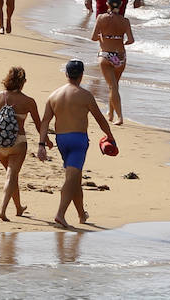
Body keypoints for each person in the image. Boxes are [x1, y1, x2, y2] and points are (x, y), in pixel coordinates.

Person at [38, 60, 117, 229]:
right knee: (71, 179)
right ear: (81, 75)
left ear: (66, 74)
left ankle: (81, 214)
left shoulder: (54, 95)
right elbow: (100, 118)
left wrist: (41, 144)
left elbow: (44, 122)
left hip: (61, 140)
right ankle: (60, 214)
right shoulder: (85, 95)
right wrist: (109, 135)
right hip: (78, 141)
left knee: (75, 177)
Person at [0, 66, 44, 222]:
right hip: (18, 142)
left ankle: (19, 207)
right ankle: (2, 210)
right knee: (11, 175)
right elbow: (38, 124)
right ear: (23, 82)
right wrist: (45, 141)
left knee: (12, 176)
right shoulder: (28, 101)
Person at [91, 0, 134, 125]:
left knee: (112, 86)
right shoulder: (125, 21)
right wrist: (121, 41)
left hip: (105, 55)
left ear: (107, 4)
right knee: (114, 85)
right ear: (120, 5)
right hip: (120, 56)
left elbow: (93, 37)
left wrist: (103, 38)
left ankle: (119, 117)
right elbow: (131, 40)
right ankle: (110, 113)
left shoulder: (101, 18)